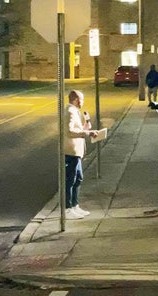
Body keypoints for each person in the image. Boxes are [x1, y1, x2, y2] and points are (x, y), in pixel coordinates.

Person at [63, 90, 99, 219]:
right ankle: (67, 209)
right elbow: (69, 131)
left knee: (78, 178)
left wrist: (85, 127)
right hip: (70, 151)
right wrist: (87, 133)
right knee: (70, 179)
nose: (83, 102)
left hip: (76, 151)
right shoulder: (69, 112)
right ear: (77, 100)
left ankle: (74, 205)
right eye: (82, 99)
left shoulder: (74, 111)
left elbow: (77, 129)